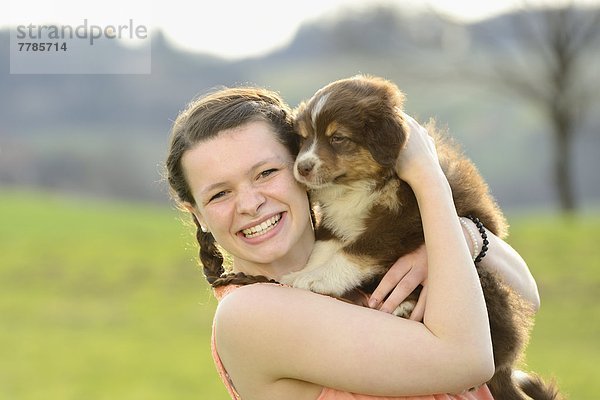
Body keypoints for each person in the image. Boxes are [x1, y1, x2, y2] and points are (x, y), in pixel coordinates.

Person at [165, 86, 540, 400]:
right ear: (195, 212)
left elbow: (528, 296)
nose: (250, 204)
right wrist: (425, 175)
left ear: (301, 166)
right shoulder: (251, 315)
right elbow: (469, 360)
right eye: (219, 194)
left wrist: (463, 240)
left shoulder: (351, 263)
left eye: (266, 173)